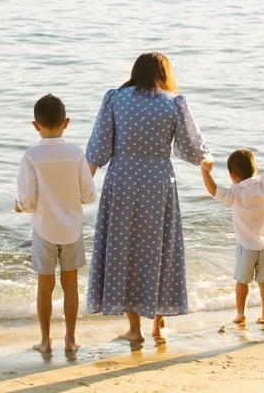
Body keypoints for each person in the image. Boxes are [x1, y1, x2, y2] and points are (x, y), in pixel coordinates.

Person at [86, 52, 211, 344]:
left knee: (124, 250)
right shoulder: (173, 102)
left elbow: (99, 149)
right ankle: (158, 324)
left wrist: (82, 185)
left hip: (123, 181)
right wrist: (208, 162)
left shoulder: (115, 99)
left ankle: (134, 329)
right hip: (158, 183)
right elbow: (193, 149)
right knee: (159, 249)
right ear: (164, 74)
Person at [15, 93, 96, 354]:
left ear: (35, 125)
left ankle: (45, 341)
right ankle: (71, 340)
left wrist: (20, 206)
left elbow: (27, 200)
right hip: (72, 228)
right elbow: (88, 195)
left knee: (45, 285)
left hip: (43, 228)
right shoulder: (75, 153)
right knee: (70, 283)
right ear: (67, 122)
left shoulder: (31, 155)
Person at [200, 145, 264, 326]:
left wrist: (205, 171)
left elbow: (213, 190)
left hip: (246, 246)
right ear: (256, 169)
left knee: (242, 282)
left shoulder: (235, 193)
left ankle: (240, 314)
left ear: (232, 176)